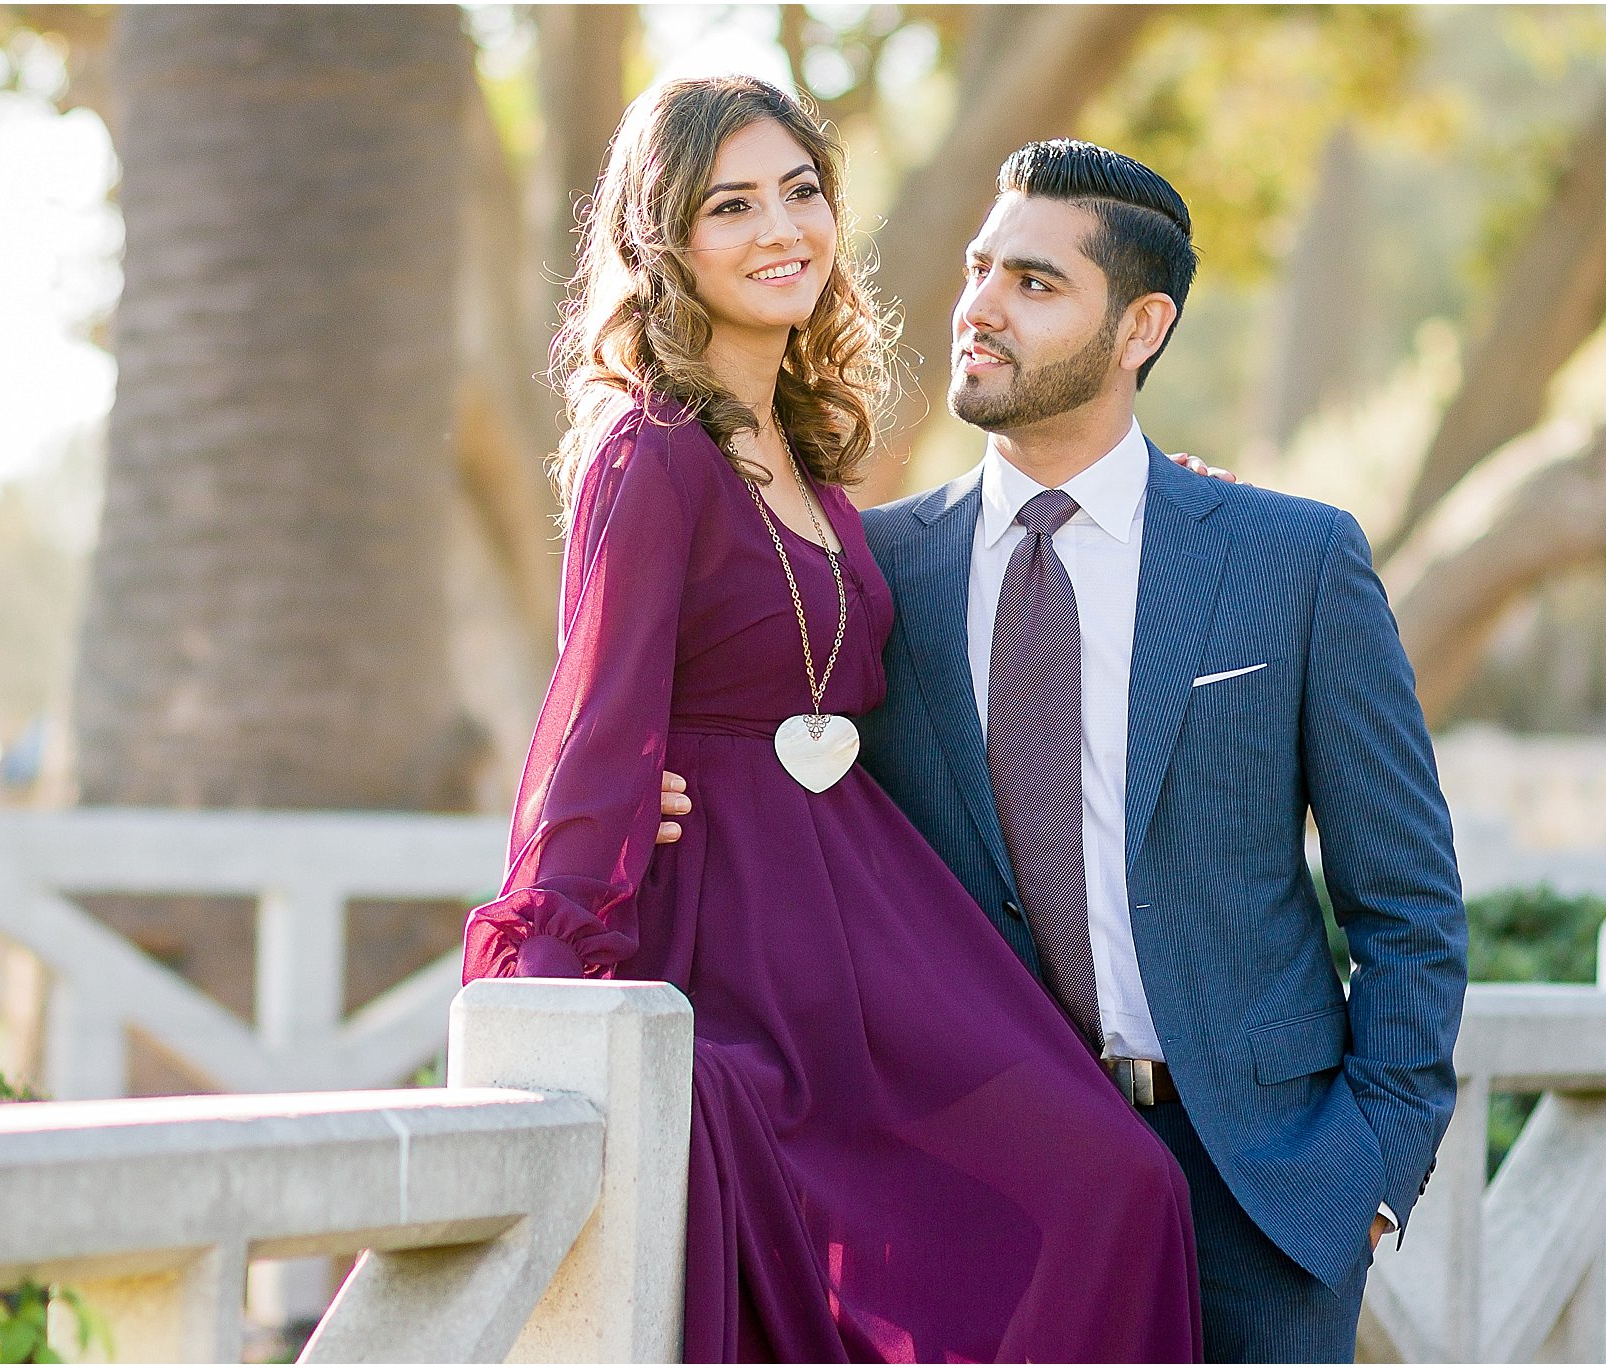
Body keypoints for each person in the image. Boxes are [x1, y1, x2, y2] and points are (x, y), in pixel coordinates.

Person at [667, 139, 1469, 1362]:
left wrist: (1362, 1176)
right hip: (978, 1186)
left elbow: (1406, 901)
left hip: (1258, 1191)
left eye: (1035, 284)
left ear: (1139, 326)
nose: (978, 307)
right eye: (980, 268)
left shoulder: (1289, 563)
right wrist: (660, 800)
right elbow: (770, 784)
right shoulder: (879, 578)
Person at [463, 79, 1205, 1363]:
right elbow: (594, 727)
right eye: (730, 205)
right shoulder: (650, 453)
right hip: (735, 931)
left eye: (800, 193)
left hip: (865, 917)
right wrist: (558, 980)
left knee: (1112, 1183)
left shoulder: (803, 447)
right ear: (665, 240)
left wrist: (1165, 504)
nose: (779, 229)